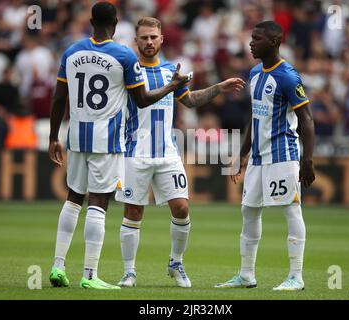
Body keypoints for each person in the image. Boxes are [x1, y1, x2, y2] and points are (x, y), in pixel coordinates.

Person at [48, 2, 190, 290]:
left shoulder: (71, 51)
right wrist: (170, 88)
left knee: (73, 198)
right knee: (98, 203)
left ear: (90, 21)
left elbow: (58, 98)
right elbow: (141, 100)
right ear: (116, 23)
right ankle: (90, 275)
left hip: (76, 137)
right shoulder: (124, 55)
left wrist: (54, 137)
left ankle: (58, 265)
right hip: (107, 140)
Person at [114, 17, 245, 288]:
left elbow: (190, 100)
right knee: (133, 212)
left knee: (182, 207)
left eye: (153, 37)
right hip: (134, 153)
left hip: (168, 153)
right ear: (135, 41)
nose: (149, 42)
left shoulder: (169, 72)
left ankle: (176, 263)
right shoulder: (128, 71)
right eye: (144, 38)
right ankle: (129, 272)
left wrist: (218, 88)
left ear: (162, 39)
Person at [215, 21, 315, 291]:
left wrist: (307, 160)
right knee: (249, 211)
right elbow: (255, 117)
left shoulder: (288, 76)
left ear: (274, 41)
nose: (251, 43)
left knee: (291, 210)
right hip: (259, 158)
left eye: (257, 38)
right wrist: (243, 153)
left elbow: (306, 119)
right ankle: (246, 274)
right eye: (251, 37)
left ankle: (296, 276)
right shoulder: (255, 72)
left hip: (283, 156)